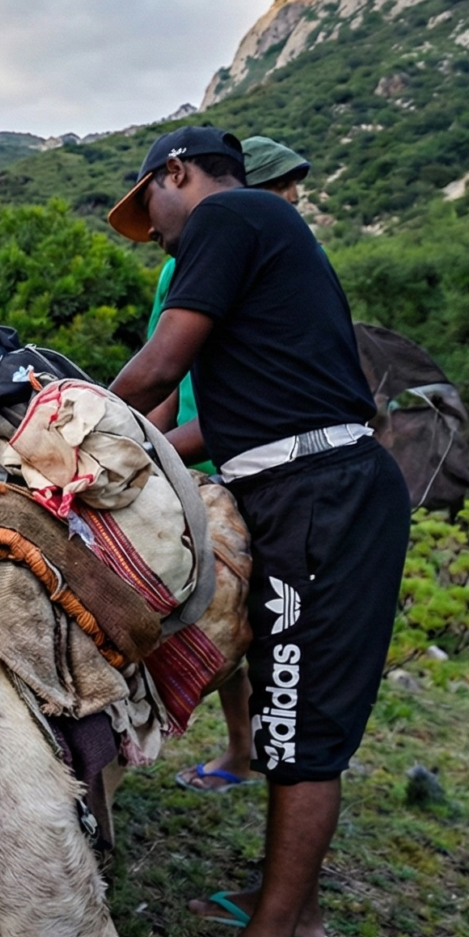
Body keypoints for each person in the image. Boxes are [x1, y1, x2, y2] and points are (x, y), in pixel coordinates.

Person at [105, 126, 409, 937]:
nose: (157, 234)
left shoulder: (228, 216)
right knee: (285, 700)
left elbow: (162, 367)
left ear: (176, 174)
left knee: (299, 724)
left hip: (320, 498)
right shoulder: (261, 238)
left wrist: (65, 419)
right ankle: (294, 906)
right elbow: (217, 424)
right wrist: (142, 454)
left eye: (151, 212)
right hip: (301, 485)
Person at [161, 135, 309, 796]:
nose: (290, 204)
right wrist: (142, 451)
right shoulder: (199, 253)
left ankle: (256, 750)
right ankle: (245, 747)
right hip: (212, 462)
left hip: (256, 456)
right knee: (226, 608)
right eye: (280, 191)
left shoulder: (275, 254)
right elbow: (164, 370)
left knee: (250, 613)